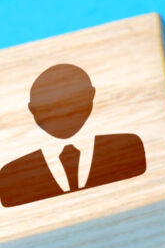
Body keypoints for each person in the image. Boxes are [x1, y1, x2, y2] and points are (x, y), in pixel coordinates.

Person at [0, 63, 145, 208]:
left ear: (91, 95)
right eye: (49, 108)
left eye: (72, 103)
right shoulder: (12, 177)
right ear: (31, 110)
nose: (62, 115)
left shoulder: (128, 148)